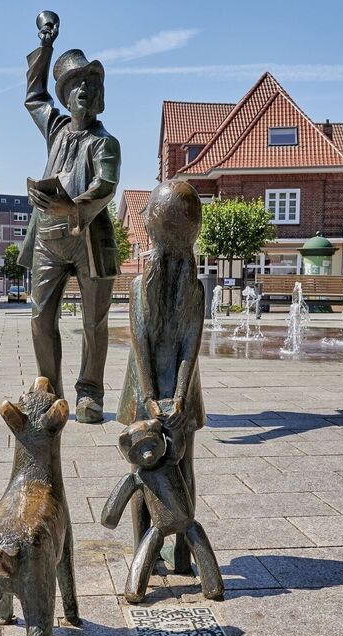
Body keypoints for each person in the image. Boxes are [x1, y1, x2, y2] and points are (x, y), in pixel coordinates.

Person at [21, 11, 121, 424]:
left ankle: (90, 393)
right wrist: (45, 46)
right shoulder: (56, 129)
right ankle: (50, 388)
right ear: (65, 96)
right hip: (47, 238)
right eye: (75, 84)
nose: (82, 89)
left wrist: (72, 205)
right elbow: (33, 95)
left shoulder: (105, 142)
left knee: (94, 322)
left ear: (97, 96)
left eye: (89, 84)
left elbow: (107, 185)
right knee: (40, 316)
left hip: (88, 239)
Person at [117, 180, 206, 575]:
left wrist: (171, 395)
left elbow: (185, 343)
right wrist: (164, 395)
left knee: (146, 468)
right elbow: (150, 344)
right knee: (169, 466)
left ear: (151, 230)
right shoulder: (162, 287)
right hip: (152, 385)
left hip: (157, 387)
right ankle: (166, 551)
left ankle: (154, 552)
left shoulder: (182, 288)